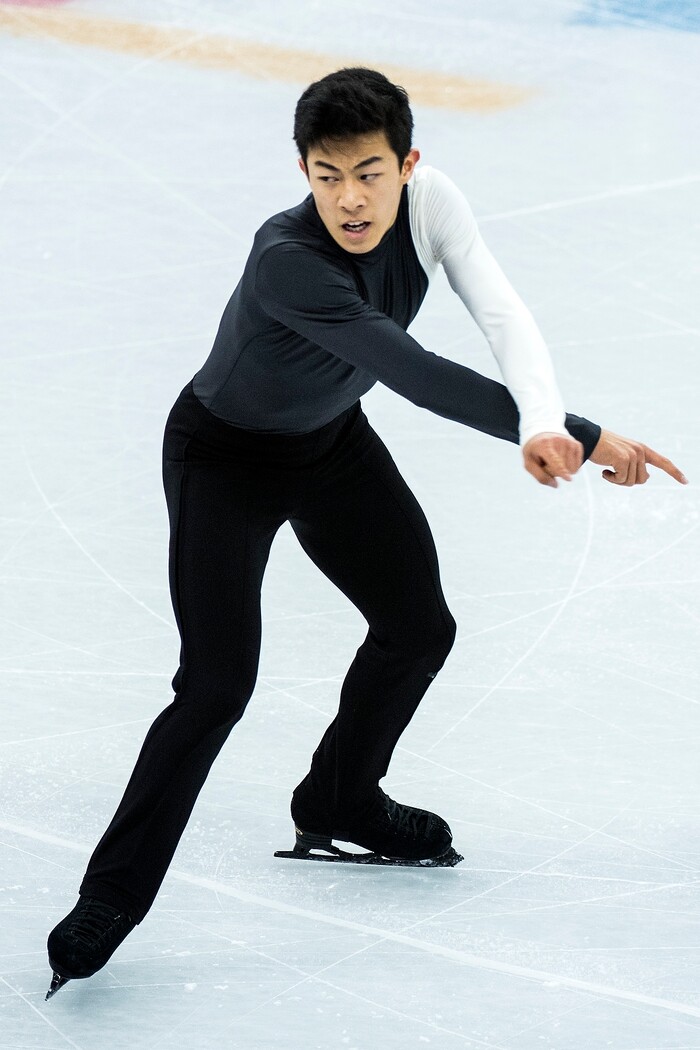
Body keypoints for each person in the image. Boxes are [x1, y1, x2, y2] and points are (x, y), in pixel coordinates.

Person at [45, 67, 686, 1000]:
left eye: (370, 173)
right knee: (217, 684)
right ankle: (110, 897)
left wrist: (549, 419)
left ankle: (341, 799)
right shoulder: (286, 261)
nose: (349, 197)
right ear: (303, 170)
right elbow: (417, 374)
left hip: (330, 442)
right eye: (326, 174)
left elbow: (502, 313)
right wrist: (576, 436)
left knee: (419, 627)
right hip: (222, 458)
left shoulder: (434, 206)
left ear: (409, 163)